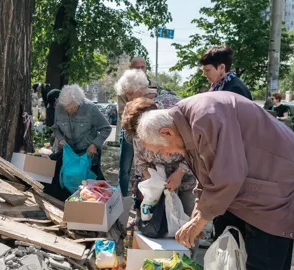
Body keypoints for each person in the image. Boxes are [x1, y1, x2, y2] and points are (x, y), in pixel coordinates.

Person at [135, 91, 294, 270]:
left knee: (264, 267)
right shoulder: (183, 126)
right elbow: (208, 175)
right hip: (241, 184)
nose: (167, 156)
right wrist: (198, 215)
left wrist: (201, 219)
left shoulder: (206, 116)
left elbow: (228, 175)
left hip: (274, 173)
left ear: (167, 131)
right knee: (230, 253)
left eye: (163, 150)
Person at [123, 97, 196, 217]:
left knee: (187, 219)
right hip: (158, 183)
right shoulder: (137, 135)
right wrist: (153, 181)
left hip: (186, 181)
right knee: (157, 223)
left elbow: (194, 153)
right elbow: (140, 161)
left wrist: (179, 174)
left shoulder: (174, 123)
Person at [45, 85, 112, 201]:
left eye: (71, 107)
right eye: (65, 107)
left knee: (91, 189)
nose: (68, 110)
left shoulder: (91, 108)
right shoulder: (60, 108)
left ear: (79, 102)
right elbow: (55, 127)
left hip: (88, 153)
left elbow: (106, 128)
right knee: (65, 183)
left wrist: (95, 144)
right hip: (69, 154)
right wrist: (60, 138)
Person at [117, 60, 154, 197]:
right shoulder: (125, 86)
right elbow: (123, 113)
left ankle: (141, 198)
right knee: (125, 167)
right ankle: (122, 198)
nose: (140, 69)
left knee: (145, 167)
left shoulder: (152, 87)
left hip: (146, 132)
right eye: (136, 67)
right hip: (129, 130)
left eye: (142, 67)